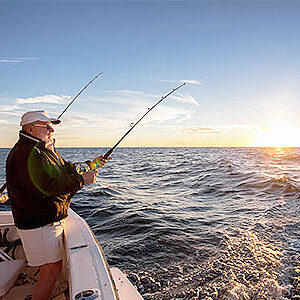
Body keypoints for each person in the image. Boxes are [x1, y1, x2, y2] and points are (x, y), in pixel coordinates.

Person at [6, 110, 108, 300]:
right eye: (45, 125)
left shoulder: (42, 149)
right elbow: (48, 187)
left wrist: (92, 164)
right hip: (40, 224)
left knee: (52, 268)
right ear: (29, 128)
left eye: (51, 126)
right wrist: (81, 181)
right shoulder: (26, 153)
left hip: (45, 220)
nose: (50, 129)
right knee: (50, 271)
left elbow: (65, 168)